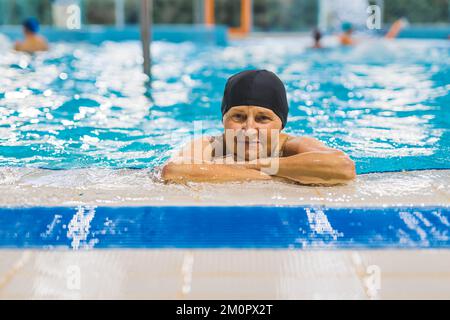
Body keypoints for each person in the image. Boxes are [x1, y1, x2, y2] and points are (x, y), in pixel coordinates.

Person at [162, 70, 356, 186]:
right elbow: (173, 170)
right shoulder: (211, 145)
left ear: (281, 124)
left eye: (262, 118)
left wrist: (249, 166)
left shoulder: (292, 145)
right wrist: (278, 174)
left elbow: (344, 167)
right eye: (238, 117)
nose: (249, 129)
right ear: (223, 120)